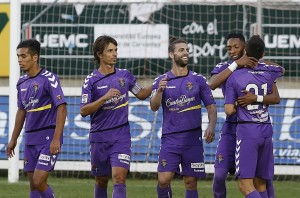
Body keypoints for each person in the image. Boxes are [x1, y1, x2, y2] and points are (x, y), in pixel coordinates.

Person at [209, 32, 281, 198]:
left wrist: (255, 97)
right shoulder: (225, 67)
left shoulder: (261, 69)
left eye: (236, 46)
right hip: (231, 129)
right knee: (219, 175)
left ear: (245, 48)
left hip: (250, 128)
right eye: (229, 48)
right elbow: (211, 84)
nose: (232, 50)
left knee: (263, 180)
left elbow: (275, 95)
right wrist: (235, 64)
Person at [80, 35, 152, 198]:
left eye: (116, 50)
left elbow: (140, 94)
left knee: (119, 178)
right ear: (100, 54)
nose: (115, 54)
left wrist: (157, 84)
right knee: (101, 180)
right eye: (110, 51)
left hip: (121, 136)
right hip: (99, 137)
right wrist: (103, 98)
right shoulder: (91, 81)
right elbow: (83, 110)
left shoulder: (125, 75)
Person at [150, 37, 217, 198]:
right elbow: (154, 106)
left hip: (192, 139)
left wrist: (211, 126)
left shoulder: (198, 80)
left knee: (191, 182)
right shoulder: (161, 80)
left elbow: (211, 107)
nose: (186, 53)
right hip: (170, 139)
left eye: (187, 50)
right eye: (181, 50)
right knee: (164, 179)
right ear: (171, 54)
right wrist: (159, 91)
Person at [6, 39, 67, 198]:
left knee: (39, 180)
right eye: (18, 56)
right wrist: (13, 139)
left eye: (23, 56)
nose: (20, 60)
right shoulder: (21, 82)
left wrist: (56, 138)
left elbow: (62, 107)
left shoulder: (49, 78)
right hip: (30, 137)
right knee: (33, 184)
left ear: (35, 57)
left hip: (48, 136)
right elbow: (21, 111)